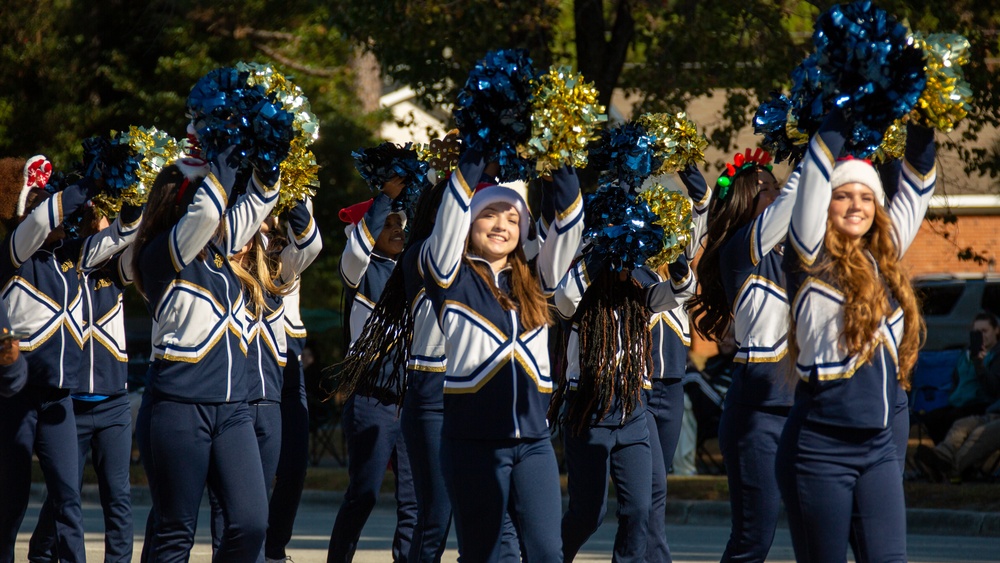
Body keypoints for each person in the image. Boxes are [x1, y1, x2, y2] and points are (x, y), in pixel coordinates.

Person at [777, 108, 936, 562]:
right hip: (818, 449)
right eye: (842, 196)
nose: (855, 206)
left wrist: (922, 116)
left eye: (865, 198)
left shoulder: (883, 256)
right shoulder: (809, 256)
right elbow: (813, 174)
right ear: (825, 204)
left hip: (880, 449)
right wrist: (843, 103)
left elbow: (920, 180)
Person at [421, 151, 582, 561]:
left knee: (547, 552)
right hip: (471, 442)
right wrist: (478, 152)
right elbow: (449, 212)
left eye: (513, 219)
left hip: (533, 442)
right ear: (470, 224)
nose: (502, 226)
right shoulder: (448, 275)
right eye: (490, 215)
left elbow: (569, 222)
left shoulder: (537, 280)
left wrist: (556, 157)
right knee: (486, 555)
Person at [132, 150, 281, 560]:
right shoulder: (159, 255)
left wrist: (269, 157)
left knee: (251, 523)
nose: (220, 204)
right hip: (179, 409)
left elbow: (259, 202)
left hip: (233, 410)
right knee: (175, 532)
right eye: (207, 193)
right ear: (182, 201)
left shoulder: (219, 252)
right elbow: (201, 217)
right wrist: (225, 157)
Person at [0, 155, 118, 563]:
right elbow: (36, 223)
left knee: (69, 500)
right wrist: (88, 181)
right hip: (13, 398)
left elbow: (121, 236)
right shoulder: (14, 254)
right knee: (8, 504)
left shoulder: (72, 258)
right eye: (39, 203)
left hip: (58, 398)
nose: (55, 220)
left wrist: (125, 195)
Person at [686, 147, 801, 563]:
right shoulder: (741, 250)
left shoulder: (799, 254)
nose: (780, 192)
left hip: (807, 407)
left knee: (818, 535)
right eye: (767, 189)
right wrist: (817, 145)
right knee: (754, 540)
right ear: (744, 201)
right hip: (759, 415)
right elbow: (793, 202)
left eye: (778, 186)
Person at [552, 248, 691, 562]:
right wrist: (602, 249)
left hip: (633, 412)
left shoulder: (639, 296)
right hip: (588, 413)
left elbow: (682, 290)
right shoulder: (579, 296)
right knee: (588, 514)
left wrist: (678, 257)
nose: (627, 268)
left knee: (639, 509)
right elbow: (563, 299)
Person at [28, 202, 143, 563]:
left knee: (118, 494)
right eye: (93, 222)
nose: (101, 227)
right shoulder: (65, 267)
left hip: (113, 405)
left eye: (104, 221)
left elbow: (133, 238)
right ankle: (43, 553)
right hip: (71, 405)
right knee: (65, 494)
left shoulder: (118, 269)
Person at [329, 177, 417, 562]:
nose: (397, 230)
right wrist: (385, 197)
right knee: (363, 494)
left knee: (415, 502)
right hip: (371, 399)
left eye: (400, 224)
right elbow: (359, 244)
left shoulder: (413, 270)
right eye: (388, 225)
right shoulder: (358, 269)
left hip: (411, 402)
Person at [265, 199, 323, 563]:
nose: (269, 237)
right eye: (263, 231)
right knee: (253, 471)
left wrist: (289, 188)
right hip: (248, 369)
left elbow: (309, 243)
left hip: (288, 367)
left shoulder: (285, 262)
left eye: (274, 230)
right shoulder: (230, 258)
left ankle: (274, 550)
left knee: (293, 467)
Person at [920, 312, 1000, 443]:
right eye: (976, 332)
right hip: (958, 402)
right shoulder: (966, 354)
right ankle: (944, 455)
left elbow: (993, 388)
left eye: (984, 331)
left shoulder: (996, 355)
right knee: (931, 418)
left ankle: (950, 457)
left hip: (981, 404)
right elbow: (956, 379)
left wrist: (979, 364)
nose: (981, 336)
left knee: (953, 419)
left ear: (996, 330)